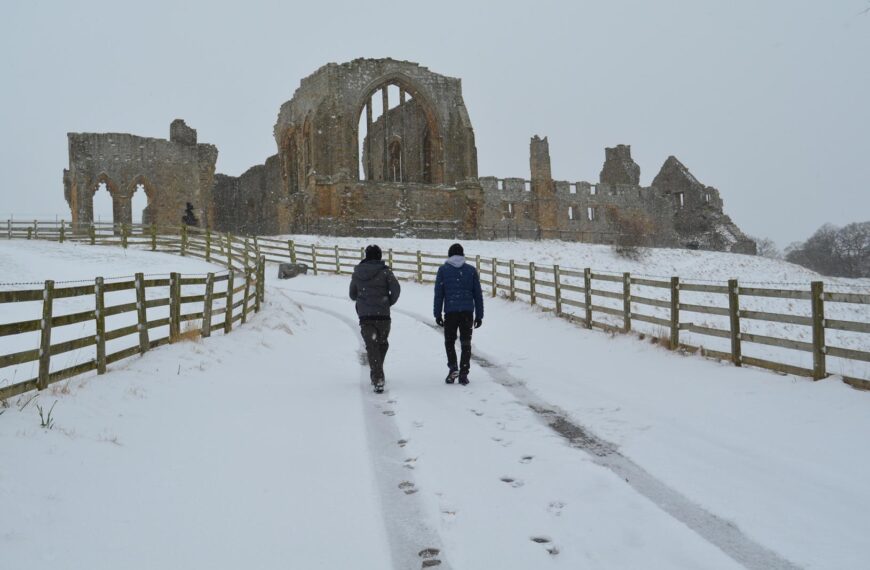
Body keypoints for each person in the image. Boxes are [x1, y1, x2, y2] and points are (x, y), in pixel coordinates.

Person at [349, 245, 401, 393]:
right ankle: (378, 376)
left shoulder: (358, 273)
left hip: (365, 316)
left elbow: (352, 295)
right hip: (383, 316)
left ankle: (377, 375)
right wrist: (388, 301)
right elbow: (396, 289)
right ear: (379, 256)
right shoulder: (386, 272)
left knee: (372, 347)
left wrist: (363, 297)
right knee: (382, 344)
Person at [433, 243, 483, 385]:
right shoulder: (471, 270)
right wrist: (479, 315)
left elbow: (439, 294)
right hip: (467, 312)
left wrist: (437, 314)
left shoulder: (443, 270)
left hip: (451, 312)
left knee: (449, 341)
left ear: (449, 255)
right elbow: (477, 294)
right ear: (462, 255)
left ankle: (453, 367)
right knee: (465, 342)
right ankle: (464, 372)